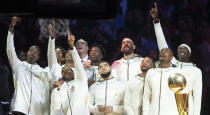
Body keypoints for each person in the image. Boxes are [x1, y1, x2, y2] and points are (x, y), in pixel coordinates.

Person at [150, 2, 202, 115]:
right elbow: (162, 45)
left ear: (190, 54)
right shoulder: (173, 64)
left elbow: (198, 96)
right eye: (179, 49)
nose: (182, 50)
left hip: (186, 109)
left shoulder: (196, 71)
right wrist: (156, 22)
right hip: (169, 108)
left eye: (185, 49)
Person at [6, 17, 50, 115]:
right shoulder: (18, 66)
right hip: (20, 109)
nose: (33, 53)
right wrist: (10, 30)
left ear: (38, 57)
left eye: (36, 52)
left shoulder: (42, 71)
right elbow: (10, 50)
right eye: (31, 50)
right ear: (27, 53)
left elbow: (56, 78)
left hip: (36, 111)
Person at [50, 32, 89, 115]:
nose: (66, 71)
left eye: (69, 70)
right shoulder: (60, 84)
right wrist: (56, 89)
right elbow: (56, 107)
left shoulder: (80, 79)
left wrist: (72, 47)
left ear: (74, 72)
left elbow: (79, 67)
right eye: (63, 71)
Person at [142, 48, 183, 115]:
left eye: (166, 51)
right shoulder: (151, 72)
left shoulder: (177, 72)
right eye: (161, 51)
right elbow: (146, 96)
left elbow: (182, 96)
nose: (163, 52)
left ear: (171, 57)